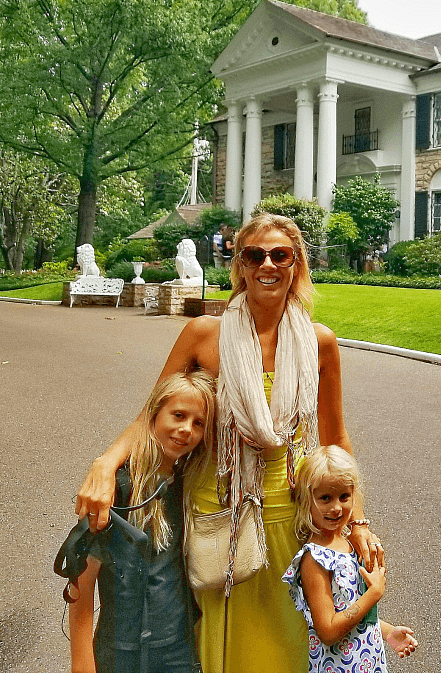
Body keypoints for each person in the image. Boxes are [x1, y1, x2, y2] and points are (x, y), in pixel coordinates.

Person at [76, 213, 382, 673]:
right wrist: (105, 464)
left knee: (289, 641)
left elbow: (335, 436)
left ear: (297, 264)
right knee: (218, 644)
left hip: (291, 511)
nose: (268, 265)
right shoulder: (205, 335)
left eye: (281, 255)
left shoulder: (320, 343)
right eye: (254, 255)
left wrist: (356, 520)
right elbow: (151, 416)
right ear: (238, 264)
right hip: (218, 508)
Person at [69, 370, 216, 673]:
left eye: (198, 423)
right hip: (121, 650)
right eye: (178, 415)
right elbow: (81, 584)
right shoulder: (118, 490)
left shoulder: (188, 485)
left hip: (179, 649)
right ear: (152, 416)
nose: (186, 429)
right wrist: (82, 662)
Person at [282, 446, 417, 673]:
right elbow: (328, 630)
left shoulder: (348, 544)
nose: (336, 507)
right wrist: (373, 594)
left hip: (367, 661)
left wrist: (386, 632)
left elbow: (353, 610)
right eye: (325, 498)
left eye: (344, 496)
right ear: (307, 500)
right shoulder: (314, 560)